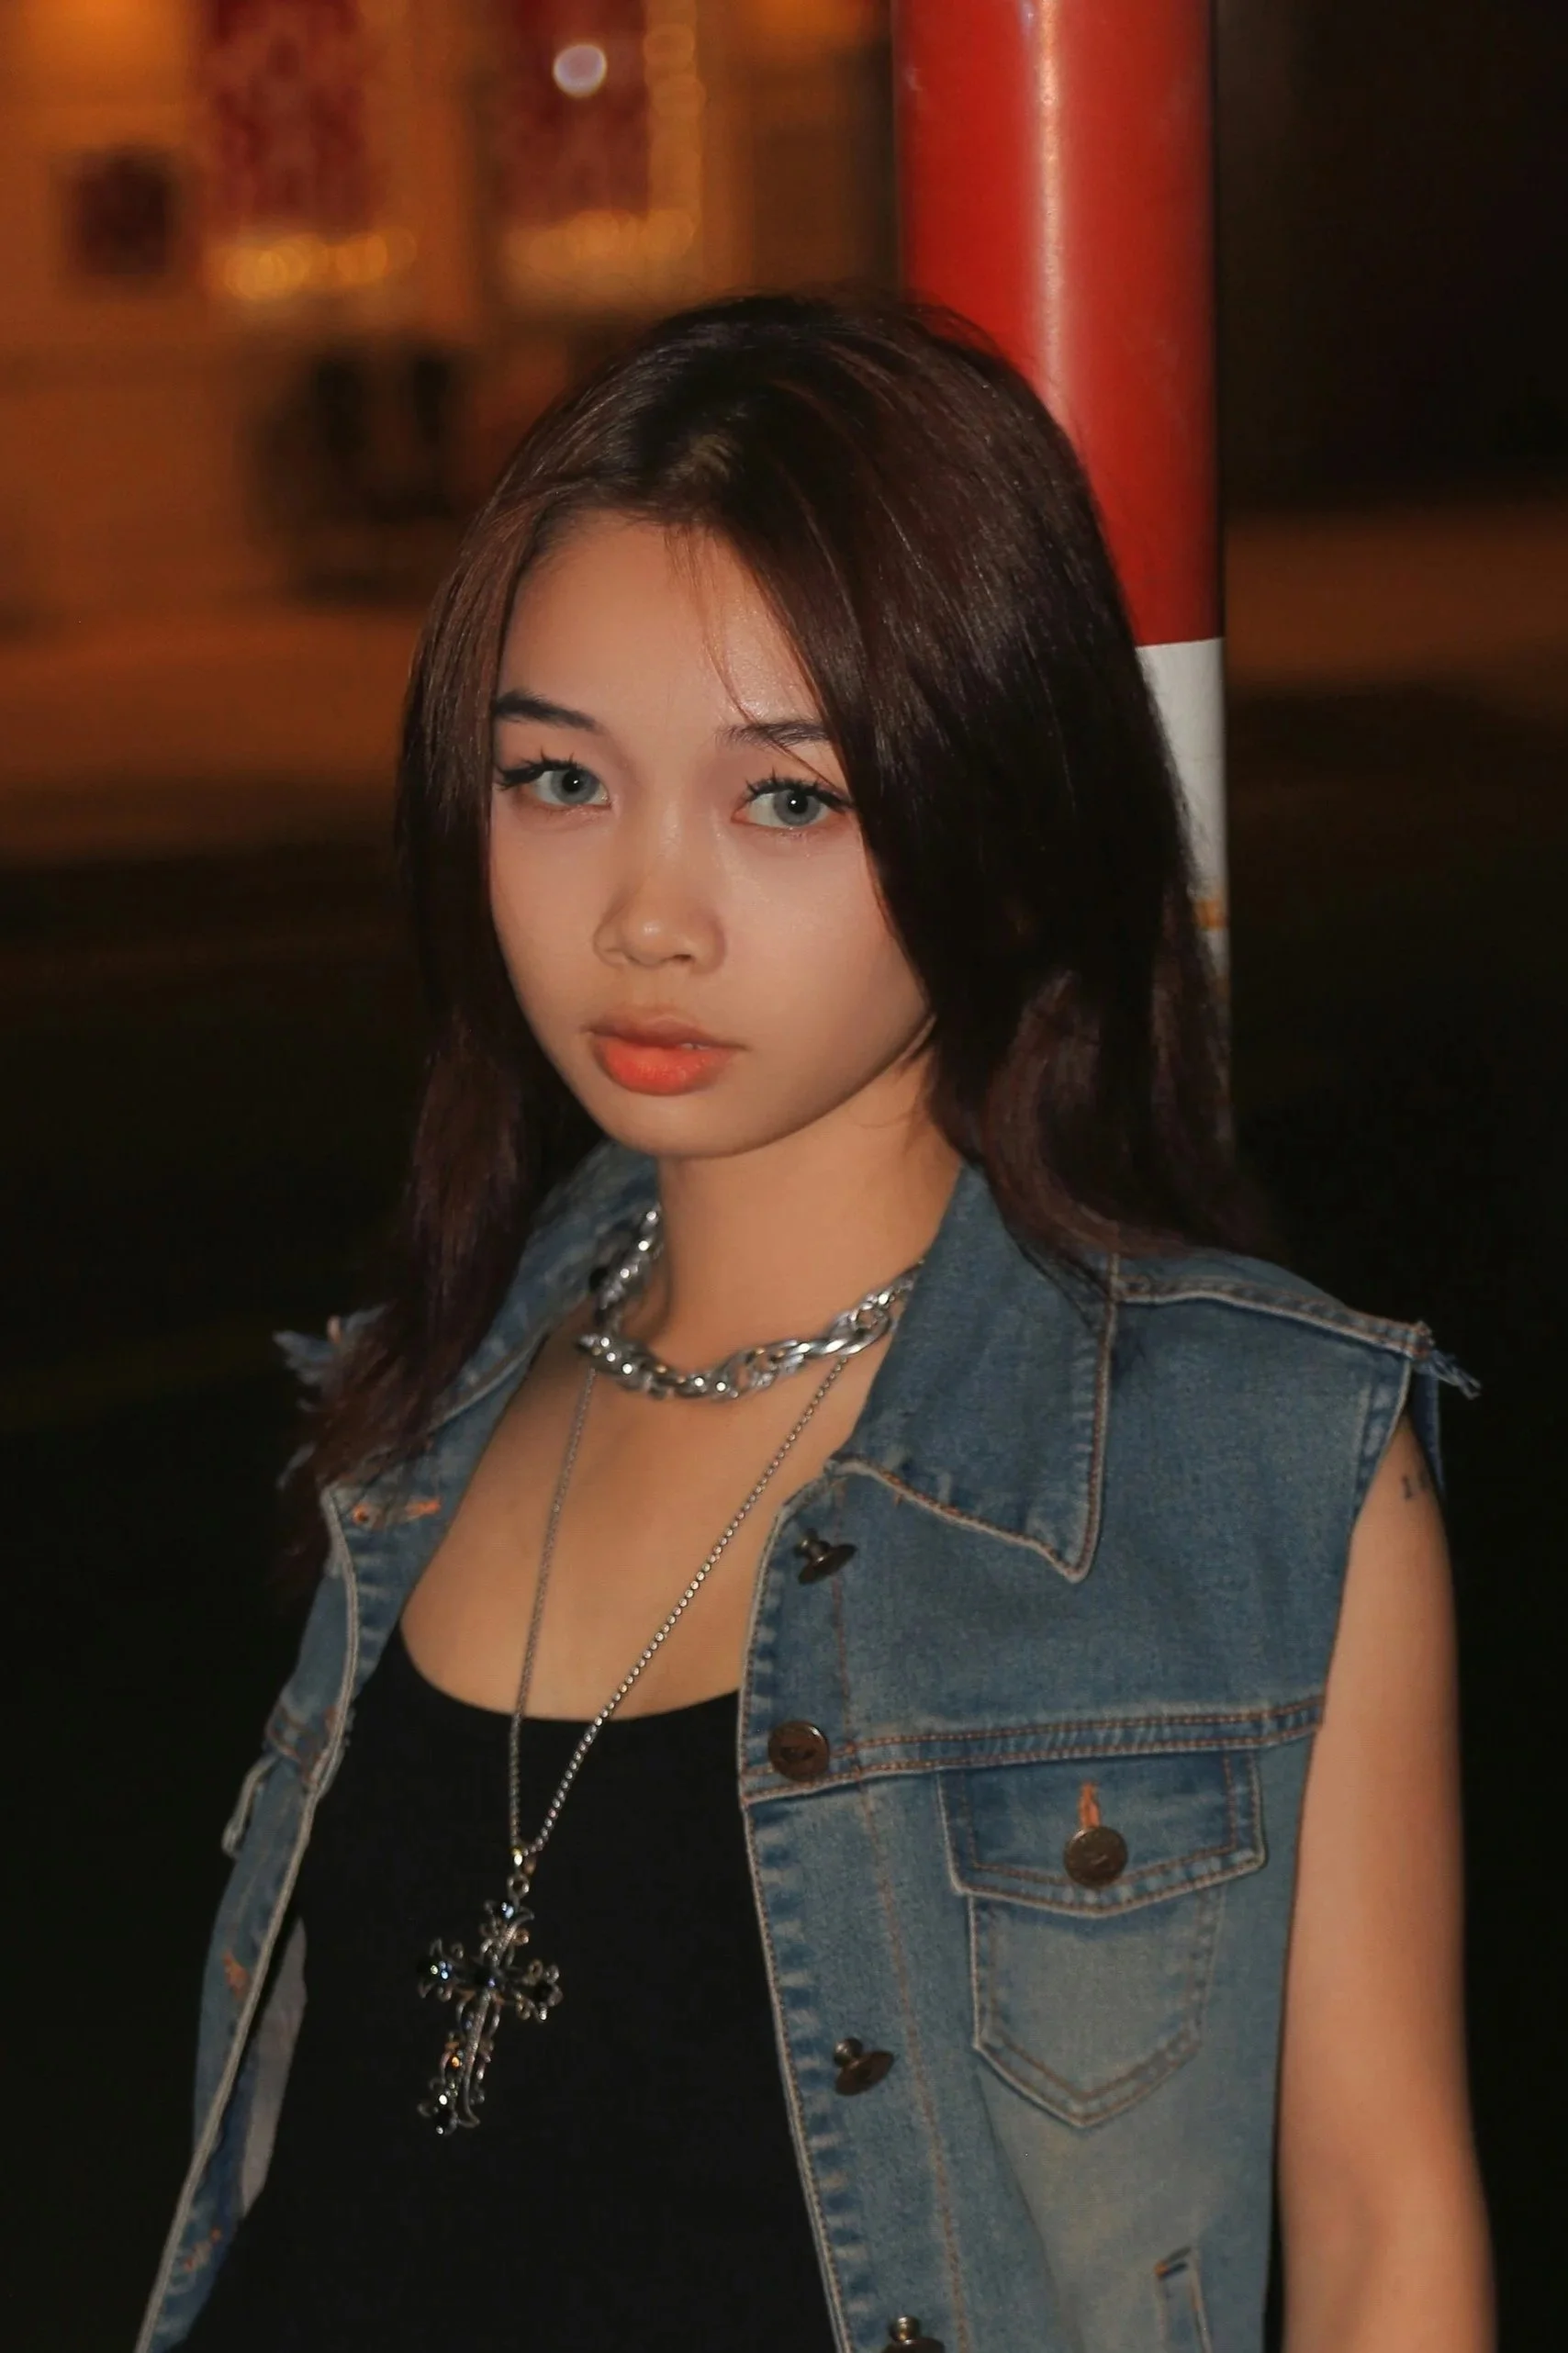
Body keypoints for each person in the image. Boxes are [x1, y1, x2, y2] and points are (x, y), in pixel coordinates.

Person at [137, 293, 1492, 2353]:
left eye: (786, 799)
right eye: (557, 779)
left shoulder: (1243, 1457)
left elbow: (1388, 2246)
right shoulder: (427, 1396)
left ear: (1001, 817)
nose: (643, 914)